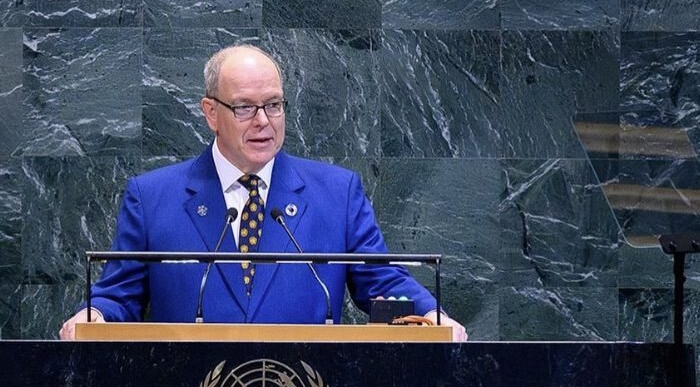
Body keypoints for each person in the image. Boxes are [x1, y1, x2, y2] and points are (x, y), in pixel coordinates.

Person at [60, 45, 468, 341]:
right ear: (211, 113)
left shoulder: (337, 193)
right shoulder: (152, 198)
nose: (263, 121)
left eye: (273, 105)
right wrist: (93, 317)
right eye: (244, 107)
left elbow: (382, 280)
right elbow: (119, 296)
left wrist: (430, 315)